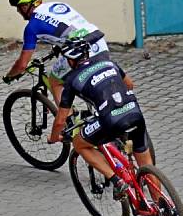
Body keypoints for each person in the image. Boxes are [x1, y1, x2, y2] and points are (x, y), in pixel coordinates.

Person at [47, 39, 154, 201]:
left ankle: (117, 181)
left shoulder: (72, 80)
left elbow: (61, 119)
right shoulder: (109, 63)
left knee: (79, 143)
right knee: (146, 164)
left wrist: (55, 137)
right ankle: (162, 207)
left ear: (70, 61)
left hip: (110, 120)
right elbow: (130, 85)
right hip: (135, 113)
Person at [2, 0, 110, 103]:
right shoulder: (58, 5)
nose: (18, 11)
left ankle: (68, 118)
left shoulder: (31, 27)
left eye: (19, 7)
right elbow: (68, 27)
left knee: (54, 81)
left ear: (26, 5)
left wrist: (9, 76)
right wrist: (60, 45)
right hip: (98, 40)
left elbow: (22, 65)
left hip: (81, 50)